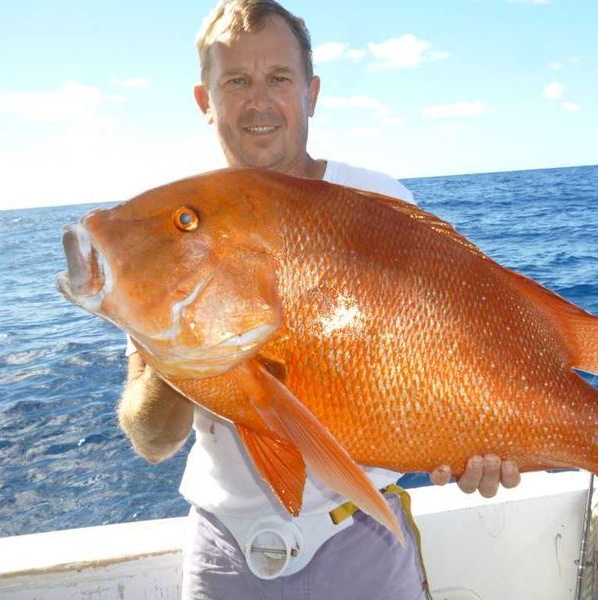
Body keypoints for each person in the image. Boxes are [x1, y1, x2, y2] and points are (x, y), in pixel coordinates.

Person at [119, 1, 520, 598]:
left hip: (364, 535)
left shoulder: (378, 199)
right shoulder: (179, 227)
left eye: (278, 78)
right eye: (236, 81)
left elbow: (447, 356)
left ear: (311, 92)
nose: (259, 102)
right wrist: (176, 348)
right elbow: (151, 441)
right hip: (225, 552)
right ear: (205, 101)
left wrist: (475, 440)